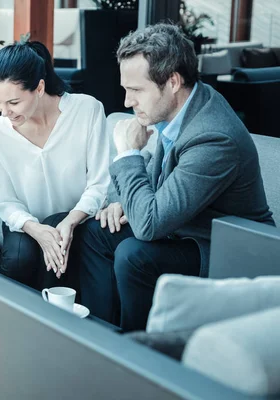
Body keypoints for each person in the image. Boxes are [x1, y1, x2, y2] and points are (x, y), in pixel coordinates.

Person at [74, 23, 275, 331]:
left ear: (172, 82)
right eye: (126, 89)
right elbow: (160, 185)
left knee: (134, 254)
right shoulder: (182, 109)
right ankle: (99, 334)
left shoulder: (213, 137)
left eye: (136, 90)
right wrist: (124, 203)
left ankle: (140, 354)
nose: (127, 102)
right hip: (185, 228)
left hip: (230, 250)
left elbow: (150, 225)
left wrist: (129, 154)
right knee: (93, 232)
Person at [0, 41, 110, 291]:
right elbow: (4, 201)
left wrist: (71, 221)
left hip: (81, 218)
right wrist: (38, 231)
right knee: (20, 257)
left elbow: (100, 183)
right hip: (26, 223)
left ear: (39, 87)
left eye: (13, 102)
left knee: (65, 258)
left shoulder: (87, 110)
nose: (4, 112)